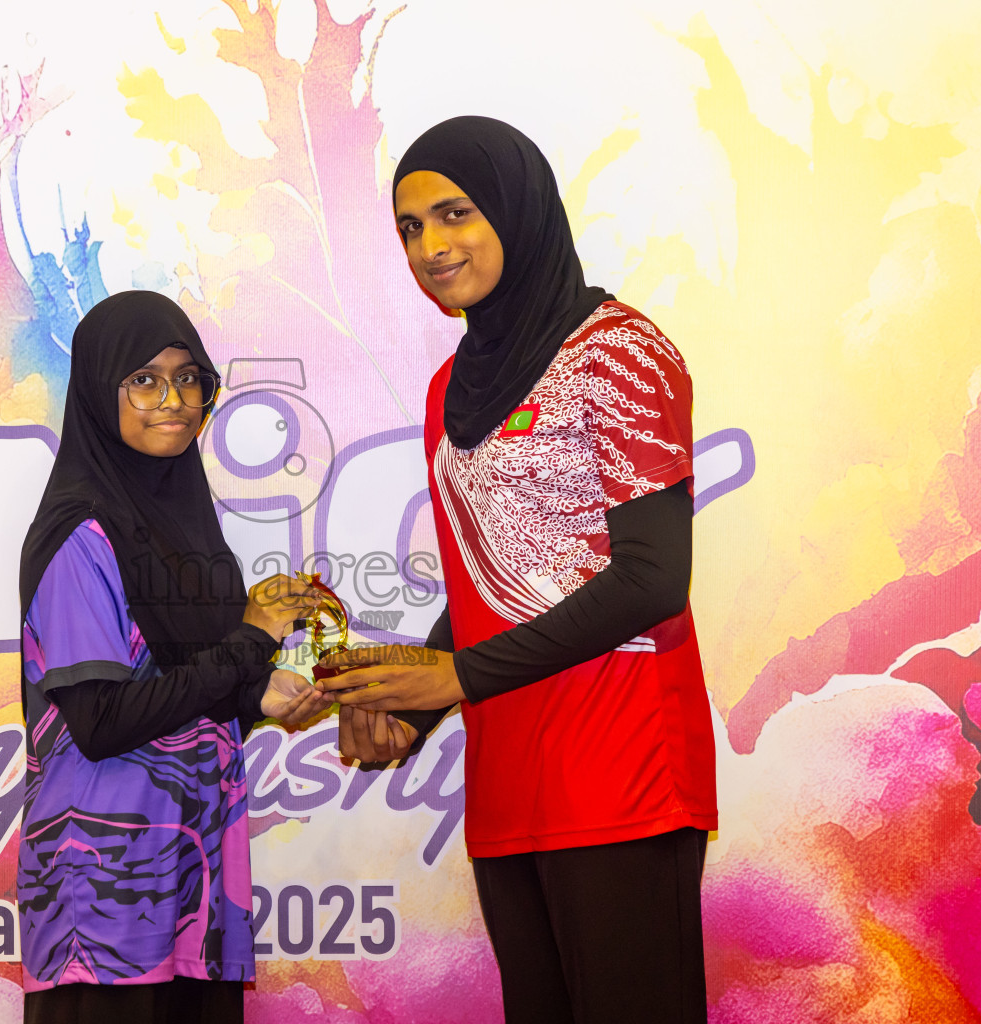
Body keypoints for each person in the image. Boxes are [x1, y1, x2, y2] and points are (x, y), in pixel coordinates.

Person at [317, 116, 718, 1023]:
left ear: (515, 208)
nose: (431, 246)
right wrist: (406, 706)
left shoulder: (619, 353)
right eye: (411, 227)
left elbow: (653, 579)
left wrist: (452, 677)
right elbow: (481, 587)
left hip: (623, 777)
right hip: (508, 782)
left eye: (454, 213)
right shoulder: (450, 388)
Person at [16, 290, 329, 1024]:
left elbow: (183, 681)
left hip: (196, 892)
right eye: (145, 380)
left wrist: (257, 698)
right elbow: (100, 721)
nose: (175, 400)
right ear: (101, 392)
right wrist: (250, 641)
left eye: (189, 378)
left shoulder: (186, 528)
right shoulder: (78, 533)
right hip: (103, 910)